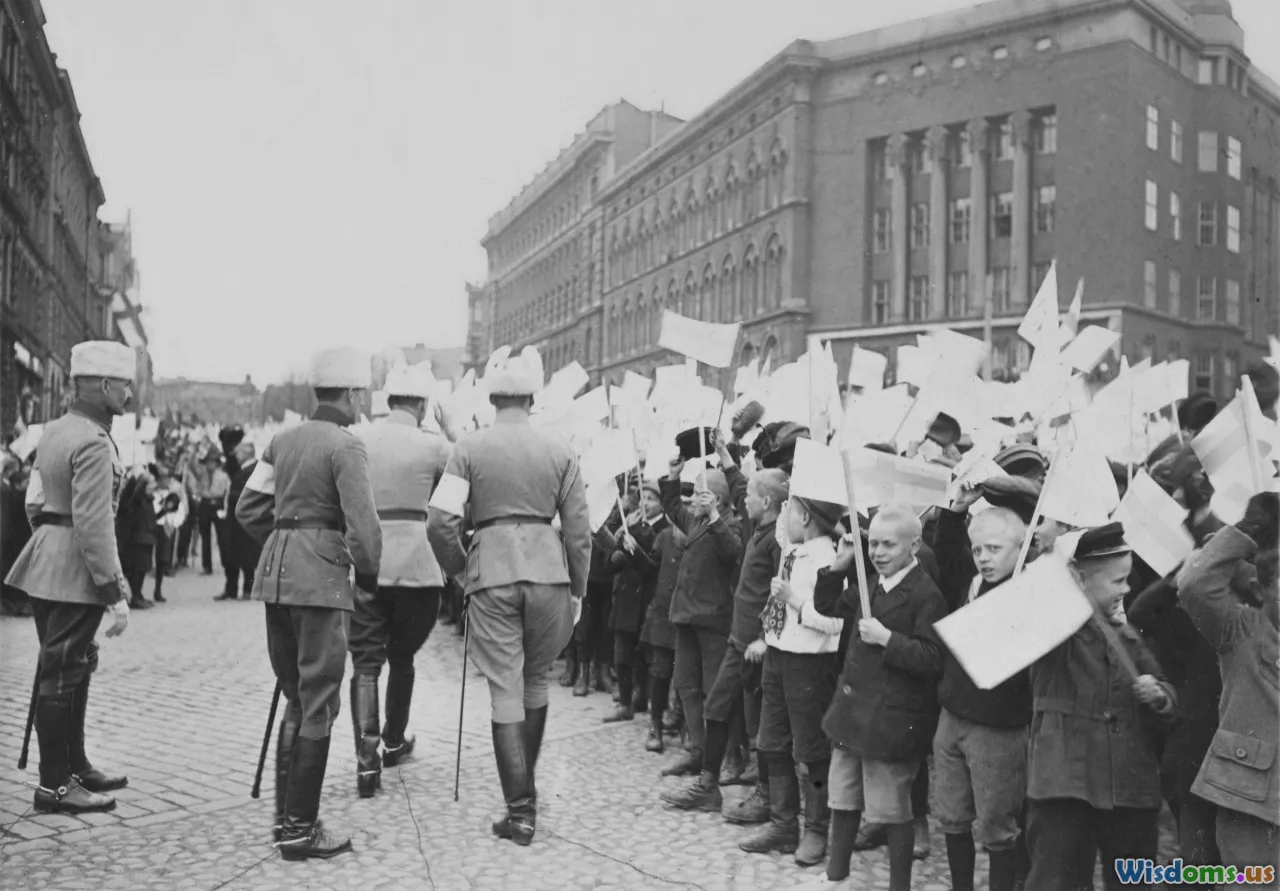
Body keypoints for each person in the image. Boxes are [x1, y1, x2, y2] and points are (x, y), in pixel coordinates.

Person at [427, 345, 590, 847]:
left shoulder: (468, 448)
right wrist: (578, 590)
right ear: (533, 399)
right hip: (549, 576)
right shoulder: (561, 449)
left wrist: (460, 570)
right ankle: (526, 795)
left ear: (493, 400)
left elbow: (439, 521)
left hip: (492, 573)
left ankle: (521, 812)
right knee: (535, 680)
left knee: (504, 690)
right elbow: (579, 533)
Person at [235, 346, 382, 861]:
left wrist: (286, 543)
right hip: (320, 581)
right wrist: (365, 575)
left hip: (277, 576)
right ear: (354, 393)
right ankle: (299, 830)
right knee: (318, 699)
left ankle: (287, 822)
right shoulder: (348, 446)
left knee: (296, 696)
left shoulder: (282, 440)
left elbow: (248, 508)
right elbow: (365, 529)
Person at [4, 341, 134, 814]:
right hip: (77, 567)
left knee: (72, 661)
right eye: (124, 385)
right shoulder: (95, 441)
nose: (129, 394)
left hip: (47, 560)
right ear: (104, 385)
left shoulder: (54, 431)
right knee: (62, 671)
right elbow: (95, 525)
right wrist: (114, 592)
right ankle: (54, 784)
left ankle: (74, 765)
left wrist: (49, 547)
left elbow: (34, 502)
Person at [1023, 523, 1176, 891]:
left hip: (1128, 783)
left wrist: (1159, 695)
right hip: (1066, 781)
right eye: (1117, 581)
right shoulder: (1053, 629)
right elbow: (1037, 604)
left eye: (1127, 580)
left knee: (1132, 879)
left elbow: (1165, 687)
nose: (1126, 589)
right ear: (1079, 579)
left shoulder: (1126, 633)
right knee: (1056, 880)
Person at [810, 506, 948, 891]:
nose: (878, 552)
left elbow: (934, 658)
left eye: (889, 545)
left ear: (914, 546)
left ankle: (899, 886)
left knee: (891, 809)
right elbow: (827, 606)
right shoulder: (871, 581)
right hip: (853, 712)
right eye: (873, 544)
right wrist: (839, 566)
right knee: (843, 796)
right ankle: (836, 875)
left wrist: (888, 639)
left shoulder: (926, 594)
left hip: (891, 719)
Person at [347, 364, 451, 796]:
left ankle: (366, 763)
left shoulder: (359, 438)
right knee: (403, 657)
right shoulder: (435, 446)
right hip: (418, 568)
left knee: (365, 664)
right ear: (422, 405)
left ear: (388, 401)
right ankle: (393, 741)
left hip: (367, 564)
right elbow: (464, 481)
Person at [930, 497, 1033, 891]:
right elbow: (946, 549)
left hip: (998, 728)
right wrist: (956, 509)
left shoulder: (1029, 592)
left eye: (994, 548)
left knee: (996, 825)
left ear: (1021, 549)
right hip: (952, 718)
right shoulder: (970, 583)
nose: (984, 558)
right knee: (952, 816)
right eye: (977, 550)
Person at [1177, 493, 1279, 883]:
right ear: (1262, 590)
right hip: (1251, 803)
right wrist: (1247, 531)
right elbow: (1195, 586)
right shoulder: (1242, 630)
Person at [740, 494, 843, 865]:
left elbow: (836, 623)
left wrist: (795, 599)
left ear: (806, 517)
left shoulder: (830, 560)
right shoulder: (794, 550)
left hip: (809, 664)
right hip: (778, 656)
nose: (783, 519)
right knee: (772, 743)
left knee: (812, 751)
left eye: (790, 512)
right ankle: (783, 825)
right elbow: (785, 528)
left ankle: (816, 830)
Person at [222, 443, 260, 600]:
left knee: (246, 556)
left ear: (247, 453)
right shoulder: (246, 469)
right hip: (239, 519)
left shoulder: (252, 469)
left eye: (239, 452)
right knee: (236, 554)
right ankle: (234, 589)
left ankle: (247, 589)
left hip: (244, 519)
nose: (236, 456)